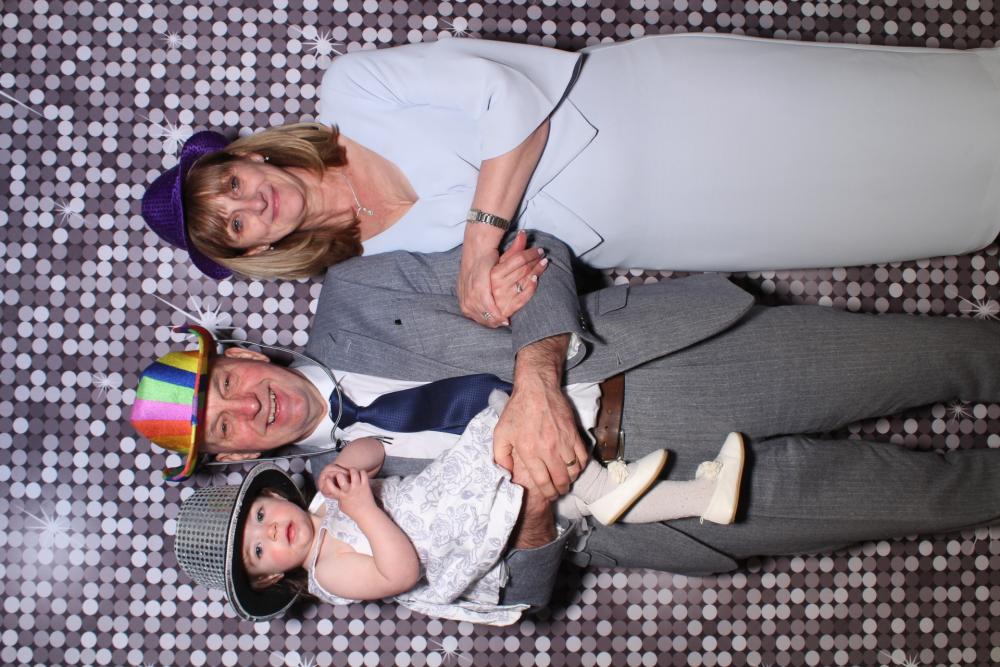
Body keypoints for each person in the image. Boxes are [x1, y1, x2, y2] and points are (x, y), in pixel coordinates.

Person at [131, 231, 1000, 611]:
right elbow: (518, 597)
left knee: (947, 356)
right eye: (223, 430)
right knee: (935, 499)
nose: (247, 407)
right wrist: (538, 511)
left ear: (243, 353)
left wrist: (538, 373)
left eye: (226, 384)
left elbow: (533, 252)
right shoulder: (337, 532)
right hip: (664, 508)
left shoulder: (357, 293)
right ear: (231, 460)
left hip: (677, 364)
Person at [141, 34, 1000, 325]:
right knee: (852, 209)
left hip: (656, 107)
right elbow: (502, 288)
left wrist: (476, 249)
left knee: (864, 113)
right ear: (259, 249)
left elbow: (510, 96)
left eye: (229, 183)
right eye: (235, 225)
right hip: (656, 219)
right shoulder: (368, 269)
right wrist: (489, 296)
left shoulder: (351, 92)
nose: (248, 202)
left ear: (248, 155)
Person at [170, 402, 745, 624]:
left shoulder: (325, 498)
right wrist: (363, 509)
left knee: (564, 491)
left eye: (260, 515)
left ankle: (703, 498)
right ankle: (604, 484)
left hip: (449, 496)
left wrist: (345, 464)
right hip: (452, 537)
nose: (272, 529)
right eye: (260, 549)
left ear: (274, 496)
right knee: (506, 434)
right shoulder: (329, 572)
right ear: (270, 578)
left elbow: (376, 451)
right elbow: (398, 572)